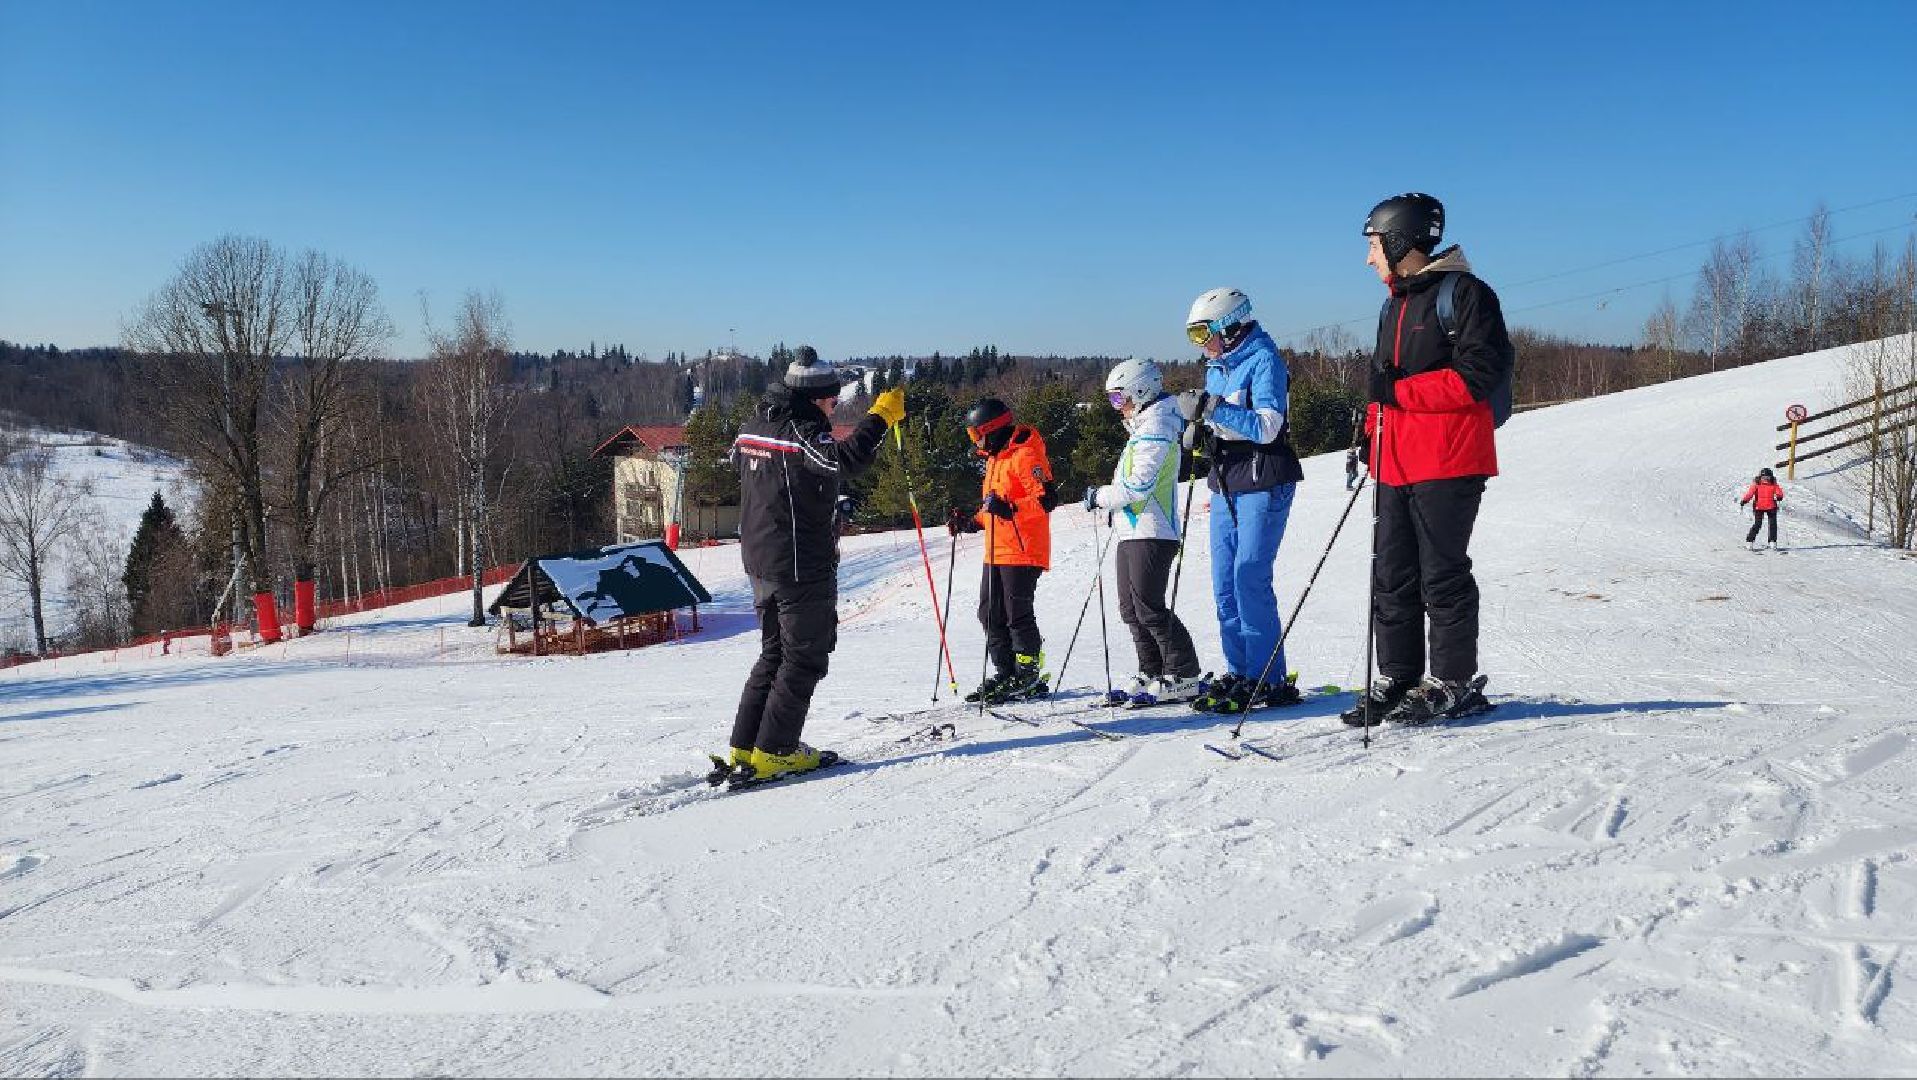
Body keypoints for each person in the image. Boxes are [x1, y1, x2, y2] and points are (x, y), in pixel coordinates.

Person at [1343, 192, 1513, 727]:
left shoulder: (1466, 295)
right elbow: (1381, 386)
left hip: (1449, 461)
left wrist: (1401, 394)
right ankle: (1399, 676)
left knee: (1441, 574)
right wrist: (1369, 433)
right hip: (1394, 460)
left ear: (1399, 241)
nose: (1369, 258)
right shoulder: (1393, 303)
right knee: (1391, 574)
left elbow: (1478, 376)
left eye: (1373, 245)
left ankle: (1452, 682)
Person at [723, 346, 906, 781]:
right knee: (805, 656)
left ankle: (746, 746)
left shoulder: (751, 426)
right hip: (800, 562)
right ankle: (777, 749)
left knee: (774, 653)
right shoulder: (802, 429)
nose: (832, 406)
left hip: (761, 558)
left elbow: (764, 476)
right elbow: (846, 460)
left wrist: (815, 499)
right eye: (830, 399)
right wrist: (880, 417)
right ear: (813, 396)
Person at [1175, 288, 1306, 714]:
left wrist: (1214, 410)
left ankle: (1267, 677)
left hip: (1263, 477)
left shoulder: (1264, 359)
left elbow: (1268, 426)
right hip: (1227, 478)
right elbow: (1225, 420)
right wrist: (1202, 430)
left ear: (1229, 326)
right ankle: (1241, 670)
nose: (1201, 344)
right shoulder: (1218, 365)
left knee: (1249, 576)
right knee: (1224, 582)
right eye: (1194, 336)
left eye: (1203, 333)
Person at [1083, 358, 1204, 706]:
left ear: (1141, 390)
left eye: (1119, 399)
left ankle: (1183, 674)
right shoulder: (1142, 429)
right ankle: (1152, 670)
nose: (1116, 407)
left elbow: (1139, 486)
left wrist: (1100, 497)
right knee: (1130, 610)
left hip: (1152, 530)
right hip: (1131, 531)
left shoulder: (1158, 429)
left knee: (1149, 607)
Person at [946, 397, 1057, 704]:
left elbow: (1047, 500)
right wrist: (971, 522)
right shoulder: (996, 458)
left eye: (975, 434)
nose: (975, 441)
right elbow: (993, 507)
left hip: (1023, 550)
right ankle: (1006, 673)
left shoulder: (1025, 455)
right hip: (997, 549)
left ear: (991, 429)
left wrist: (1009, 509)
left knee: (1016, 615)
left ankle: (1028, 675)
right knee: (989, 613)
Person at [1739, 468, 1785, 550]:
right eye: (1764, 477)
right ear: (1760, 477)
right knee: (1758, 524)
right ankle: (1750, 541)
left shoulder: (1773, 484)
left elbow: (1779, 492)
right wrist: (1745, 500)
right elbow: (1750, 493)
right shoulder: (1756, 484)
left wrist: (1779, 496)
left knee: (1773, 524)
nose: (1766, 479)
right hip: (1759, 507)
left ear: (1771, 477)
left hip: (1771, 506)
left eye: (1768, 477)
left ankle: (1772, 542)